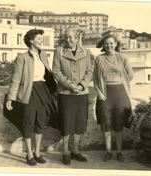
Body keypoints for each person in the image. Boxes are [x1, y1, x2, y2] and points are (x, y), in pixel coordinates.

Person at [6, 29, 57, 166]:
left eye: (42, 39)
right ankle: (29, 154)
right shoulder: (22, 57)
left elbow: (49, 74)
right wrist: (11, 98)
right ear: (31, 41)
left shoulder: (43, 55)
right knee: (28, 122)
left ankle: (37, 152)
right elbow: (15, 79)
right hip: (28, 92)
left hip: (43, 90)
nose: (41, 41)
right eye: (39, 39)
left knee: (40, 122)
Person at [52, 28, 93, 165]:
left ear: (77, 38)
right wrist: (70, 85)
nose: (68, 40)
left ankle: (75, 151)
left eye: (71, 37)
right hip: (66, 93)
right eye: (66, 37)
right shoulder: (59, 51)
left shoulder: (85, 52)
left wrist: (82, 85)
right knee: (66, 122)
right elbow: (56, 72)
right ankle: (65, 152)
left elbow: (89, 71)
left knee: (79, 122)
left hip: (81, 93)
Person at [93, 34, 133, 162]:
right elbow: (94, 78)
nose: (109, 45)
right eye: (106, 43)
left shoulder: (122, 58)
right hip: (105, 95)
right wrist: (99, 92)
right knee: (107, 124)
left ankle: (119, 152)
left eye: (111, 43)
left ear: (116, 44)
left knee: (119, 124)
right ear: (103, 45)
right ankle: (109, 152)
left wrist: (121, 82)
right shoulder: (99, 58)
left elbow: (130, 75)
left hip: (120, 94)